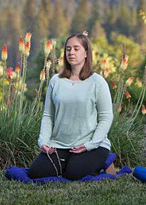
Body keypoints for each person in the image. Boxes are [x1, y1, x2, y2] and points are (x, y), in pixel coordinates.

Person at [29, 33, 113, 180]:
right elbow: (48, 115)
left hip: (90, 145)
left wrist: (90, 145)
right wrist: (43, 142)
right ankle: (71, 163)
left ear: (86, 53)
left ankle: (105, 160)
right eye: (68, 49)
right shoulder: (56, 81)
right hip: (59, 144)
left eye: (76, 48)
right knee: (36, 173)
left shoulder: (97, 82)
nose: (71, 52)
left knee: (74, 174)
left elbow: (106, 117)